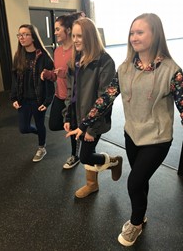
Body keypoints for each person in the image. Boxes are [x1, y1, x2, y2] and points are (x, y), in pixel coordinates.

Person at [66, 13, 183, 246]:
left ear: (155, 34)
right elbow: (105, 99)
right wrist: (84, 124)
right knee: (142, 181)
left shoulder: (172, 71)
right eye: (131, 33)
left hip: (157, 139)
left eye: (140, 32)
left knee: (134, 181)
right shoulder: (125, 68)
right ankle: (142, 213)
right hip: (132, 135)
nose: (134, 37)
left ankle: (136, 223)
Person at [64, 17, 123, 198]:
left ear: (90, 36)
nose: (75, 40)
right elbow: (71, 91)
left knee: (85, 156)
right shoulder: (76, 59)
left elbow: (105, 99)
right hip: (77, 114)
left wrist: (91, 128)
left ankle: (112, 161)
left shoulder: (105, 62)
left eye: (80, 36)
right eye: (73, 35)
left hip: (92, 119)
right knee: (84, 151)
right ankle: (92, 185)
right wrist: (67, 116)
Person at [41, 12, 85, 169]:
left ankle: (75, 155)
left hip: (73, 98)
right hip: (59, 95)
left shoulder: (78, 51)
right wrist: (50, 75)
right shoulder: (57, 51)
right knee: (53, 124)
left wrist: (65, 73)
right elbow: (57, 75)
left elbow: (81, 77)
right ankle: (78, 128)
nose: (55, 33)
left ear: (68, 30)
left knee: (72, 125)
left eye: (57, 29)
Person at [11, 24, 54, 162]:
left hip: (38, 98)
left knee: (40, 123)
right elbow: (15, 79)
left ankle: (42, 147)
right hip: (23, 99)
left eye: (25, 34)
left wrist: (47, 101)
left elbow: (50, 81)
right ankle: (40, 133)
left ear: (33, 37)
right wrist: (14, 98)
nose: (21, 38)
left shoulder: (43, 56)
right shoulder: (18, 56)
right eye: (19, 35)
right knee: (23, 128)